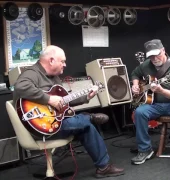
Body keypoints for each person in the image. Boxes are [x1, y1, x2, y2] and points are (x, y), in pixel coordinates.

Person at [13, 45, 124, 178]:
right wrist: (48, 99)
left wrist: (87, 97)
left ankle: (103, 167)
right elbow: (20, 87)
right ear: (51, 60)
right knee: (84, 122)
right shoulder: (32, 73)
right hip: (40, 128)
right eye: (63, 61)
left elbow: (63, 101)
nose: (65, 65)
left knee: (86, 127)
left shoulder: (54, 78)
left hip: (56, 122)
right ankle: (87, 117)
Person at [130, 39, 170, 164]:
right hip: (155, 104)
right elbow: (135, 73)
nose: (154, 59)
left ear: (163, 50)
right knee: (139, 113)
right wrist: (136, 85)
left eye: (157, 54)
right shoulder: (146, 64)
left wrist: (161, 91)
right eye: (151, 56)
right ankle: (145, 149)